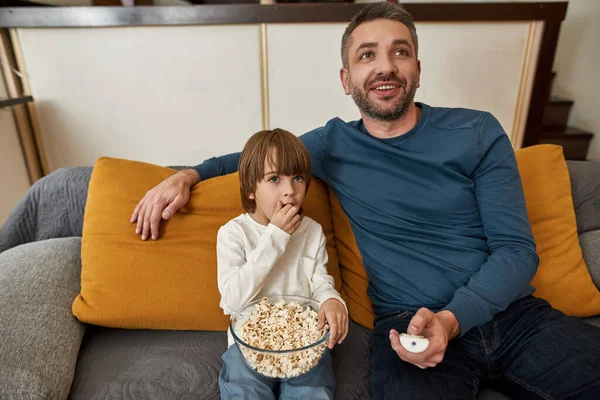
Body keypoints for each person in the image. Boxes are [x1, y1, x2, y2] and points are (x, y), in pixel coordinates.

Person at [131, 2, 600, 398]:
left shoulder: (476, 131)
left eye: (401, 52)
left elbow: (517, 251)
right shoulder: (334, 144)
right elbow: (257, 159)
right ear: (346, 78)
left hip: (513, 315)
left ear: (417, 68)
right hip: (405, 326)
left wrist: (453, 319)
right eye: (367, 55)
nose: (386, 66)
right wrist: (187, 175)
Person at [216, 128, 348, 400]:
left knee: (313, 391)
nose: (290, 191)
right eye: (274, 178)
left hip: (302, 343)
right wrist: (275, 237)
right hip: (248, 346)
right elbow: (231, 301)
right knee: (243, 392)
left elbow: (320, 282)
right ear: (251, 188)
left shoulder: (311, 231)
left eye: (297, 178)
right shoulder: (233, 234)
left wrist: (331, 299)